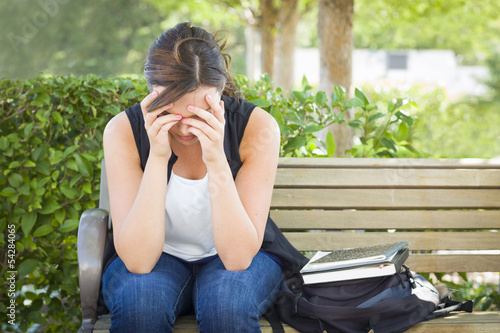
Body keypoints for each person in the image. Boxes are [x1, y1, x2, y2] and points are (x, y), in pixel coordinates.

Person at [100, 22, 307, 332]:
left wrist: (216, 158)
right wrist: (157, 156)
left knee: (227, 305)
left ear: (220, 92)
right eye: (173, 114)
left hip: (240, 256)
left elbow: (237, 258)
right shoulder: (123, 131)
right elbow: (139, 263)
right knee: (140, 304)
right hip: (155, 258)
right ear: (152, 94)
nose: (185, 130)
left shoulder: (257, 128)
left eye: (200, 115)